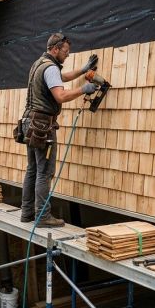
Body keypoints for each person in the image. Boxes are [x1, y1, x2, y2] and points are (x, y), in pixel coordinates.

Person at [21, 33, 98, 227]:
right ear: (55, 49)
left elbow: (61, 77)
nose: (67, 55)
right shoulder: (50, 68)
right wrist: (84, 89)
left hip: (28, 123)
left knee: (32, 169)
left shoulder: (40, 64)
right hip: (42, 126)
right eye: (65, 51)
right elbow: (60, 96)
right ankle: (42, 216)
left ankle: (27, 213)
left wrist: (83, 70)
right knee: (44, 172)